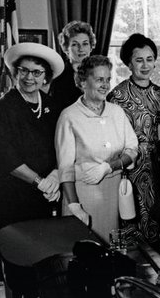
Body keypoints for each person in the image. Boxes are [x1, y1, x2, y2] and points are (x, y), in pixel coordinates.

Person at [0, 42, 63, 298]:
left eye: (36, 72)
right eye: (23, 71)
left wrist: (55, 175)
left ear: (45, 76)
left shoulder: (52, 105)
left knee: (39, 259)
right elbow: (5, 157)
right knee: (15, 260)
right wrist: (38, 181)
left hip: (45, 196)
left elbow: (61, 146)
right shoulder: (2, 107)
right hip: (13, 196)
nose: (29, 77)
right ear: (15, 73)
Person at [55, 55, 139, 240]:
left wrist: (110, 166)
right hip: (82, 193)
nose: (105, 85)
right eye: (99, 79)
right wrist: (74, 206)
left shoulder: (116, 112)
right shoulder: (69, 116)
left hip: (112, 193)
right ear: (83, 82)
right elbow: (66, 168)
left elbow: (132, 150)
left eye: (108, 79)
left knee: (110, 249)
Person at [107, 33, 160, 241]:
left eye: (149, 59)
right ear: (128, 63)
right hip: (131, 167)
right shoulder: (117, 95)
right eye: (139, 60)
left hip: (159, 166)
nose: (145, 65)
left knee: (159, 220)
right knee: (133, 222)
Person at [50, 20, 95, 109]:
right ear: (66, 49)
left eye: (85, 44)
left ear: (91, 47)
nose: (81, 49)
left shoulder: (97, 72)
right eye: (75, 44)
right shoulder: (58, 78)